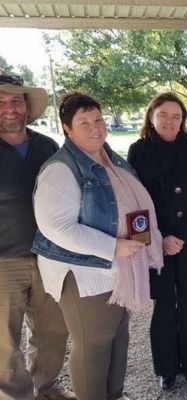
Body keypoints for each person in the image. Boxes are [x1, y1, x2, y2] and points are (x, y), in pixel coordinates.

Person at [31, 92, 164, 400]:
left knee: (117, 336)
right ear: (67, 128)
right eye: (84, 122)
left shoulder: (108, 157)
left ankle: (114, 394)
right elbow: (56, 228)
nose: (95, 128)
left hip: (117, 270)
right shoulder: (60, 170)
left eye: (99, 120)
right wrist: (113, 247)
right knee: (94, 343)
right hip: (84, 275)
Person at [127, 92, 187, 390]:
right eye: (163, 115)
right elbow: (136, 201)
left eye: (176, 116)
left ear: (183, 121)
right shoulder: (138, 151)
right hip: (156, 243)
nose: (169, 121)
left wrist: (179, 235)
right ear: (151, 117)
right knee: (164, 305)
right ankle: (166, 369)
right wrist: (161, 237)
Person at [0, 74, 75, 400]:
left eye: (16, 101)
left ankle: (46, 387)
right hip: (4, 260)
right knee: (3, 340)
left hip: (49, 256)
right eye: (1, 102)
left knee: (53, 330)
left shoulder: (46, 146)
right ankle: (15, 396)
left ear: (27, 107)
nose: (9, 109)